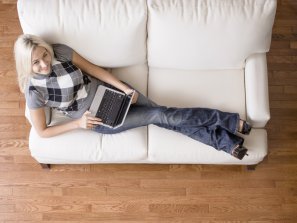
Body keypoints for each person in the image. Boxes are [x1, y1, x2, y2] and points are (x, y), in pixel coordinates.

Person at [14, 34, 251, 160]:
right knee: (159, 114)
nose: (44, 63)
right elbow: (42, 132)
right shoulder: (34, 91)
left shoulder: (61, 52)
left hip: (113, 93)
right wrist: (78, 124)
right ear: (27, 64)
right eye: (36, 62)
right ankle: (228, 123)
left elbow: (95, 70)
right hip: (97, 117)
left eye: (44, 54)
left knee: (164, 116)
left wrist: (125, 89)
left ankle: (228, 143)